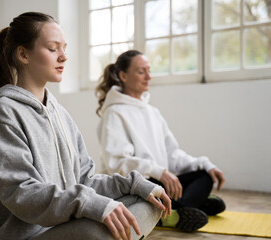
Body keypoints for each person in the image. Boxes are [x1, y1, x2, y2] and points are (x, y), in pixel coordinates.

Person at [0, 13, 171, 240]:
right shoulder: (4, 111)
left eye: (64, 48)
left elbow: (85, 179)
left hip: (61, 227)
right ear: (23, 54)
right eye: (53, 49)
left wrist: (135, 183)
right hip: (21, 236)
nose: (63, 57)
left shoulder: (59, 112)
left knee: (148, 201)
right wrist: (91, 204)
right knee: (99, 231)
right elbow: (21, 193)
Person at [96, 50, 226, 232]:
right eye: (141, 72)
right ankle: (186, 208)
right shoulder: (114, 113)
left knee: (204, 175)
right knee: (155, 186)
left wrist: (205, 164)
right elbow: (117, 164)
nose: (149, 77)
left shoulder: (153, 112)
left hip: (160, 183)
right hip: (135, 186)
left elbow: (172, 154)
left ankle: (178, 209)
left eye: (149, 71)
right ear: (123, 75)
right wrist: (159, 172)